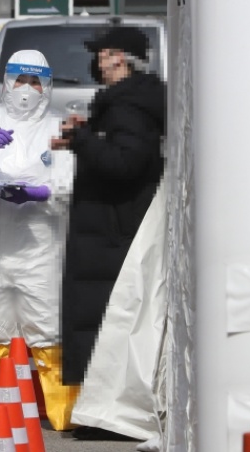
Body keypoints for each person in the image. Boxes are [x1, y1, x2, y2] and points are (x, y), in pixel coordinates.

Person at [54, 26, 166, 440]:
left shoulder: (129, 105)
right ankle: (104, 410)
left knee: (110, 317)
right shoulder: (125, 101)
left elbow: (124, 164)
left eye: (104, 53)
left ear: (121, 58)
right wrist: (85, 135)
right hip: (111, 225)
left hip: (113, 228)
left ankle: (113, 415)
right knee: (109, 317)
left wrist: (83, 139)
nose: (99, 61)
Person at [0, 50, 79, 431]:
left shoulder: (57, 126)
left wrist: (38, 193)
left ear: (47, 86)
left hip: (40, 246)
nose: (27, 89)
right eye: (20, 80)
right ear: (6, 82)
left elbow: (69, 181)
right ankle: (5, 406)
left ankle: (63, 411)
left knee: (46, 325)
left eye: (35, 81)